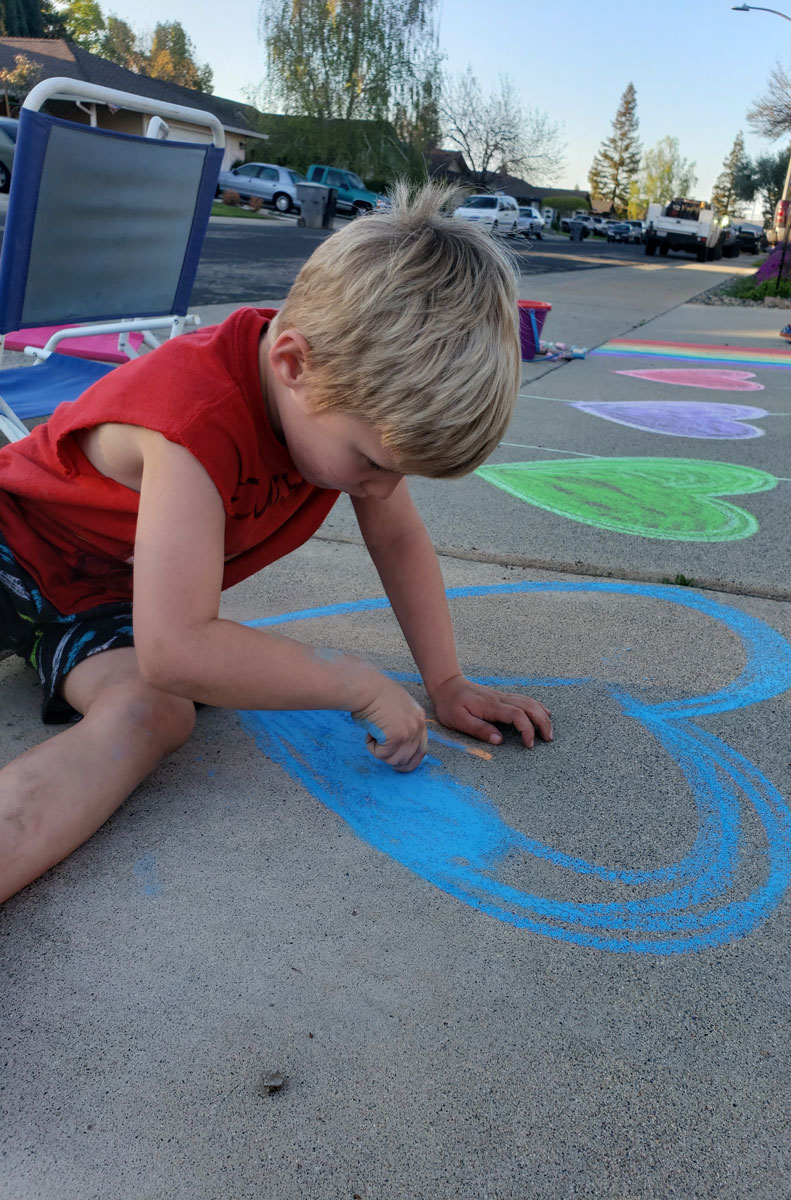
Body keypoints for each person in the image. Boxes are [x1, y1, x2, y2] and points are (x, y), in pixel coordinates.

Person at [0, 183, 552, 903]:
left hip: (99, 605)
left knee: (155, 714)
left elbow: (400, 539)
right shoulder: (195, 419)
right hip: (12, 542)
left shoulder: (332, 399)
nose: (382, 492)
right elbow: (179, 646)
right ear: (292, 366)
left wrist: (445, 682)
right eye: (376, 465)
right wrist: (350, 680)